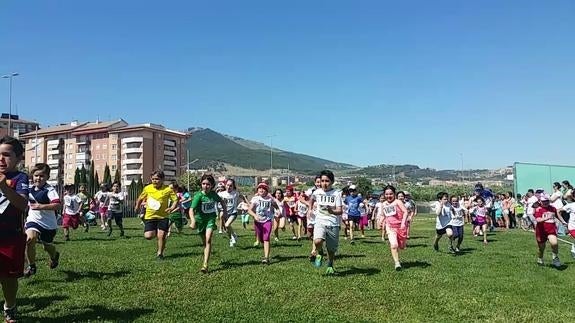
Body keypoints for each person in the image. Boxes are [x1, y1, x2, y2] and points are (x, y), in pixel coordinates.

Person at [0, 136, 29, 323]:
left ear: (19, 158)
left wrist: (4, 187)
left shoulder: (20, 178)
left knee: (8, 279)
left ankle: (10, 306)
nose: (1, 159)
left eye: (6, 155)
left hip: (11, 236)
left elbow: (22, 204)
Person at [24, 163, 62, 278]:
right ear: (32, 176)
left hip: (48, 224)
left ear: (47, 177)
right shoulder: (29, 189)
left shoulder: (49, 190)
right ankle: (31, 266)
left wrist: (41, 206)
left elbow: (57, 205)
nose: (38, 178)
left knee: (47, 246)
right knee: (30, 239)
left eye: (42, 176)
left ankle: (54, 255)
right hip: (33, 220)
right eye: (36, 175)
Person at [134, 170, 179, 260]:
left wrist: (172, 208)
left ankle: (160, 253)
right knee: (148, 236)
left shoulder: (167, 189)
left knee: (161, 236)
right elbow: (140, 198)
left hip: (163, 216)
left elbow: (175, 200)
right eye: (153, 179)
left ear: (162, 179)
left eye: (157, 179)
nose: (154, 181)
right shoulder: (148, 188)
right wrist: (137, 206)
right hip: (150, 216)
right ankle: (156, 233)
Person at [307, 170, 343, 275]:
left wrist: (332, 211)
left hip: (333, 223)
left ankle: (330, 264)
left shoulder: (336, 194)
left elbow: (340, 210)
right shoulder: (317, 192)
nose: (324, 183)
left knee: (331, 249)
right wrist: (310, 209)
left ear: (332, 182)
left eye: (327, 181)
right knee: (317, 241)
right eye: (322, 181)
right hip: (320, 221)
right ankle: (320, 253)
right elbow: (311, 199)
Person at [190, 174, 227, 273]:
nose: (205, 186)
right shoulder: (198, 196)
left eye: (208, 184)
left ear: (212, 185)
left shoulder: (213, 194)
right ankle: (207, 250)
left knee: (208, 238)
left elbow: (222, 201)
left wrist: (225, 212)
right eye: (203, 184)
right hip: (200, 221)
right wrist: (193, 220)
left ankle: (205, 265)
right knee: (205, 242)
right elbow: (191, 209)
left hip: (210, 219)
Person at [248, 182, 279, 264]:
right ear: (257, 190)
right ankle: (263, 245)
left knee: (266, 238)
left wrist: (278, 211)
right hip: (258, 221)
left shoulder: (270, 199)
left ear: (267, 191)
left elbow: (276, 205)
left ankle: (266, 257)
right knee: (261, 238)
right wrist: (254, 215)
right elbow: (249, 210)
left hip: (268, 220)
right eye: (260, 188)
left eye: (264, 188)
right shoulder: (255, 199)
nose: (262, 190)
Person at [534, 194, 567, 267]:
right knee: (541, 248)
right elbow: (538, 220)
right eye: (543, 201)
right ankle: (540, 258)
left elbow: (557, 215)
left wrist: (563, 222)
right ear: (540, 201)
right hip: (541, 231)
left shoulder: (552, 208)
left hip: (551, 230)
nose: (545, 202)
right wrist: (546, 218)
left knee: (554, 243)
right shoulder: (538, 209)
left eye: (547, 201)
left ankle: (555, 258)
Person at [381, 185, 408, 270]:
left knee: (402, 246)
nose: (389, 196)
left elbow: (405, 212)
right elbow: (383, 215)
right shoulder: (383, 204)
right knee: (394, 245)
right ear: (384, 195)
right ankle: (397, 263)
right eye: (387, 194)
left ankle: (402, 244)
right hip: (390, 227)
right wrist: (380, 221)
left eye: (391, 194)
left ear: (394, 194)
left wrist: (403, 223)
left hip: (401, 227)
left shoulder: (397, 202)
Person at [218, 179, 242, 247]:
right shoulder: (221, 194)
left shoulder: (235, 193)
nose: (229, 187)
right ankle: (231, 239)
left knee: (227, 225)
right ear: (225, 185)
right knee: (227, 229)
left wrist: (245, 204)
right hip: (226, 213)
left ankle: (234, 235)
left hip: (233, 213)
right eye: (227, 185)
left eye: (231, 186)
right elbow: (215, 199)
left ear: (233, 186)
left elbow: (242, 197)